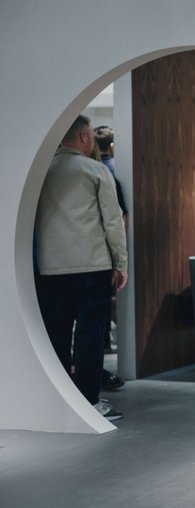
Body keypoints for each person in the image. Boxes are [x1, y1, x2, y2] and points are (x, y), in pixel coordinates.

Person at [35, 114, 128, 421]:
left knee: (56, 334)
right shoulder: (95, 170)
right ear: (85, 137)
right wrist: (121, 262)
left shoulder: (40, 172)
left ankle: (60, 401)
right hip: (92, 265)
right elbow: (112, 222)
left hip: (50, 268)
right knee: (89, 336)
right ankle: (89, 403)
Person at [91, 126, 127, 390]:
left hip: (54, 260)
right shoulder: (105, 172)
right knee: (96, 313)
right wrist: (120, 259)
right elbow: (117, 220)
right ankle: (90, 390)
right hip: (98, 255)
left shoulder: (50, 170)